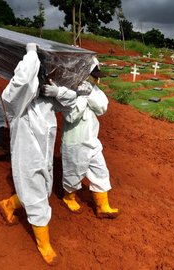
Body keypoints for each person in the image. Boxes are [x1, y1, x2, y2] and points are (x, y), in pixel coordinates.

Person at [0, 43, 77, 266]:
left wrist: (58, 91)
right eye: (40, 74)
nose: (43, 79)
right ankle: (44, 244)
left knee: (41, 190)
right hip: (27, 157)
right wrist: (31, 53)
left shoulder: (48, 100)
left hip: (44, 155)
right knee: (36, 196)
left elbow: (72, 103)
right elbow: (22, 81)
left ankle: (8, 204)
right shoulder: (15, 102)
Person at [60, 58, 119, 219]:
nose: (96, 78)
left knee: (100, 170)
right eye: (93, 75)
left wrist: (89, 92)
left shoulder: (92, 88)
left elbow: (102, 108)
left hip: (92, 138)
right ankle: (68, 197)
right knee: (74, 171)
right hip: (75, 140)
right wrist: (81, 96)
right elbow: (71, 116)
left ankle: (102, 206)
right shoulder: (67, 90)